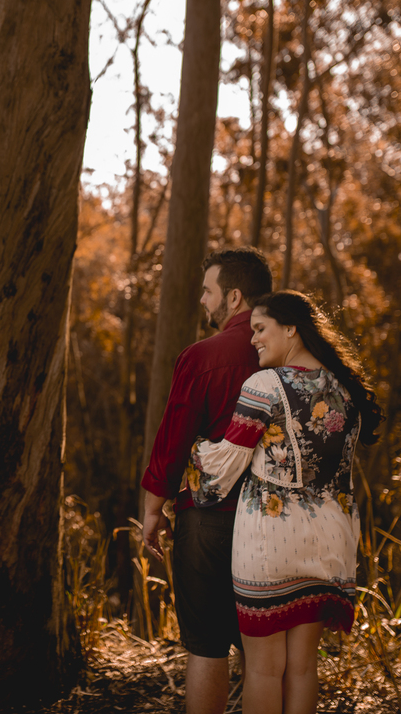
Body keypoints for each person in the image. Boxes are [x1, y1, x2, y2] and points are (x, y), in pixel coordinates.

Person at [190, 290, 383, 714]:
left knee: (262, 670)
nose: (253, 338)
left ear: (291, 328)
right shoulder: (345, 389)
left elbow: (224, 467)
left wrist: (193, 453)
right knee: (301, 669)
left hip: (270, 541)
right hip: (329, 542)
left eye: (261, 329)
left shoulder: (265, 386)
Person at [141, 246, 273, 714]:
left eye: (207, 291)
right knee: (265, 656)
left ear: (233, 297)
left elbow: (172, 440)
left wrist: (153, 510)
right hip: (275, 525)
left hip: (209, 521)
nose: (202, 301)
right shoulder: (296, 354)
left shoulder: (202, 356)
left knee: (207, 646)